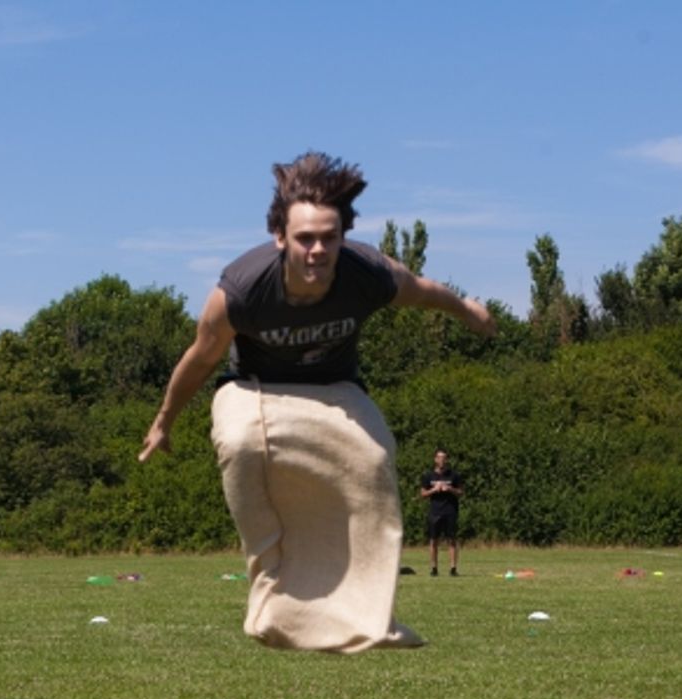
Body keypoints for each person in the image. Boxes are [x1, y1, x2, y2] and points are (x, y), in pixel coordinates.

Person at [139, 152, 496, 652]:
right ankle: (270, 592)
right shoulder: (242, 290)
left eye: (329, 237)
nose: (317, 250)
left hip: (334, 389)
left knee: (374, 459)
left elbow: (424, 291)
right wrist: (163, 422)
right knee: (241, 442)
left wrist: (468, 312)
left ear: (342, 238)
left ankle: (369, 618)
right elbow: (199, 360)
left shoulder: (366, 274)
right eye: (305, 238)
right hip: (254, 385)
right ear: (281, 238)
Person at [420, 447, 463, 576]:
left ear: (447, 460)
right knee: (434, 540)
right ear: (435, 459)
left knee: (452, 540)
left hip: (450, 510)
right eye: (439, 457)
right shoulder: (428, 476)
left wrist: (449, 489)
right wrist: (434, 490)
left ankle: (453, 568)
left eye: (444, 458)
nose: (442, 460)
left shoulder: (454, 475)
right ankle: (434, 568)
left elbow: (461, 492)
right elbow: (422, 494)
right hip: (435, 511)